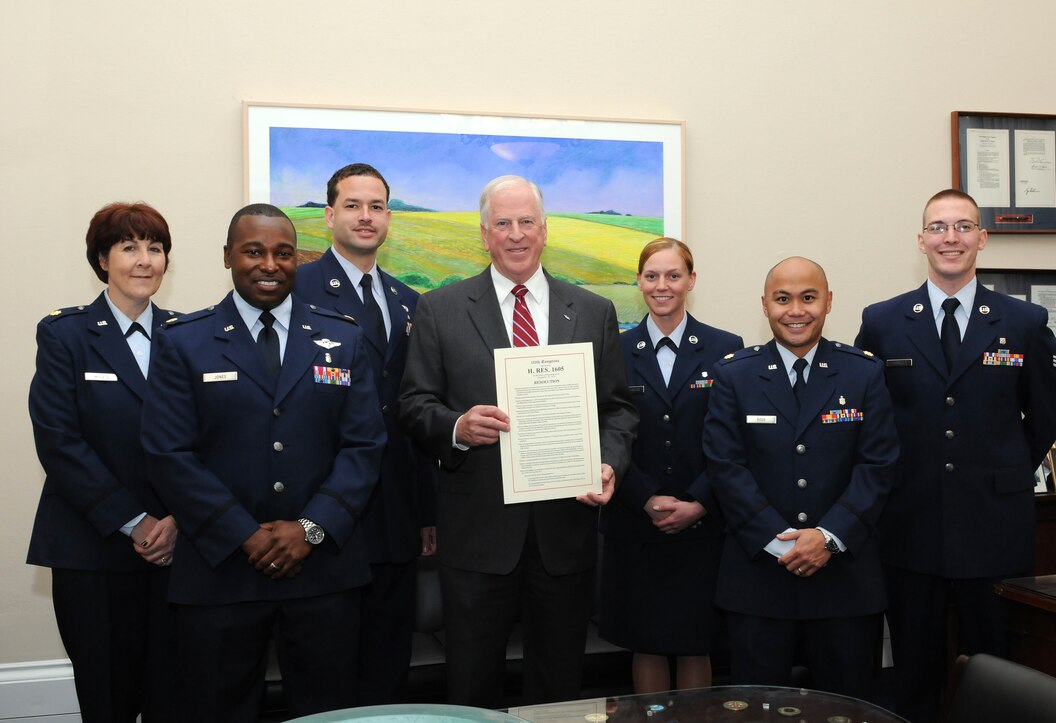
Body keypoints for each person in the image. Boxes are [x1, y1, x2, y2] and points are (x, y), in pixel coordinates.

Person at [398, 175, 638, 707]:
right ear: (483, 235)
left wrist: (609, 463)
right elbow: (414, 404)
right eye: (502, 223)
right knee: (471, 684)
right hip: (479, 534)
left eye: (526, 221)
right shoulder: (440, 309)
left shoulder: (594, 311)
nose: (515, 234)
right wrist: (458, 428)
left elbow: (618, 408)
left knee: (559, 688)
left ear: (544, 229)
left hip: (565, 531)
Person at [140, 203, 386, 722]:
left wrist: (311, 529)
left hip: (322, 571)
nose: (269, 264)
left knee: (330, 712)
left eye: (283, 253)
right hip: (221, 571)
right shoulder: (184, 341)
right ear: (228, 257)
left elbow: (364, 446)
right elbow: (168, 453)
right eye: (253, 251)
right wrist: (242, 534)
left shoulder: (343, 338)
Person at [855, 189, 1056, 722]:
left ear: (982, 238)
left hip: (994, 524)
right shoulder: (882, 321)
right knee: (914, 668)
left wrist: (1003, 470)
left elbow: (1044, 417)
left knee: (995, 667)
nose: (951, 237)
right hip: (910, 521)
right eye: (939, 227)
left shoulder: (1023, 321)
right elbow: (868, 419)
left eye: (963, 226)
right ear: (921, 240)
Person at [703, 256, 898, 701]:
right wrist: (782, 540)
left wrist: (827, 537)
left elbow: (878, 466)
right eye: (783, 299)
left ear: (828, 302)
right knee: (757, 709)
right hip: (759, 580)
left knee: (849, 707)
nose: (796, 310)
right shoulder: (734, 374)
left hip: (844, 582)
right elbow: (725, 466)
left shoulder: (863, 372)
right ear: (765, 305)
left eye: (808, 298)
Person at [27, 202, 178, 723]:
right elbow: (59, 442)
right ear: (101, 259)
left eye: (155, 249)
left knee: (174, 694)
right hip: (92, 550)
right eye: (129, 247)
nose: (144, 261)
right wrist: (135, 522)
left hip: (178, 549)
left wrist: (179, 519)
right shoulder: (65, 335)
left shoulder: (191, 334)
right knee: (108, 699)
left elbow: (211, 440)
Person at [295, 162, 437, 704]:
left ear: (389, 218)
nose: (365, 216)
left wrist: (426, 510)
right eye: (353, 205)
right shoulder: (297, 288)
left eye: (376, 206)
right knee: (325, 668)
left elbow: (416, 409)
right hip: (325, 508)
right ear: (329, 215)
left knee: (386, 664)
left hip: (396, 509)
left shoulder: (407, 301)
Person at [598, 237, 743, 692]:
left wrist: (699, 502)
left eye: (673, 275)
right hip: (635, 521)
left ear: (691, 281)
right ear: (639, 282)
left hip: (703, 525)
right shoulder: (612, 349)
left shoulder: (725, 347)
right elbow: (603, 431)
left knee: (694, 641)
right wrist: (645, 498)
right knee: (647, 641)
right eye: (652, 276)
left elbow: (730, 438)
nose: (663, 286)